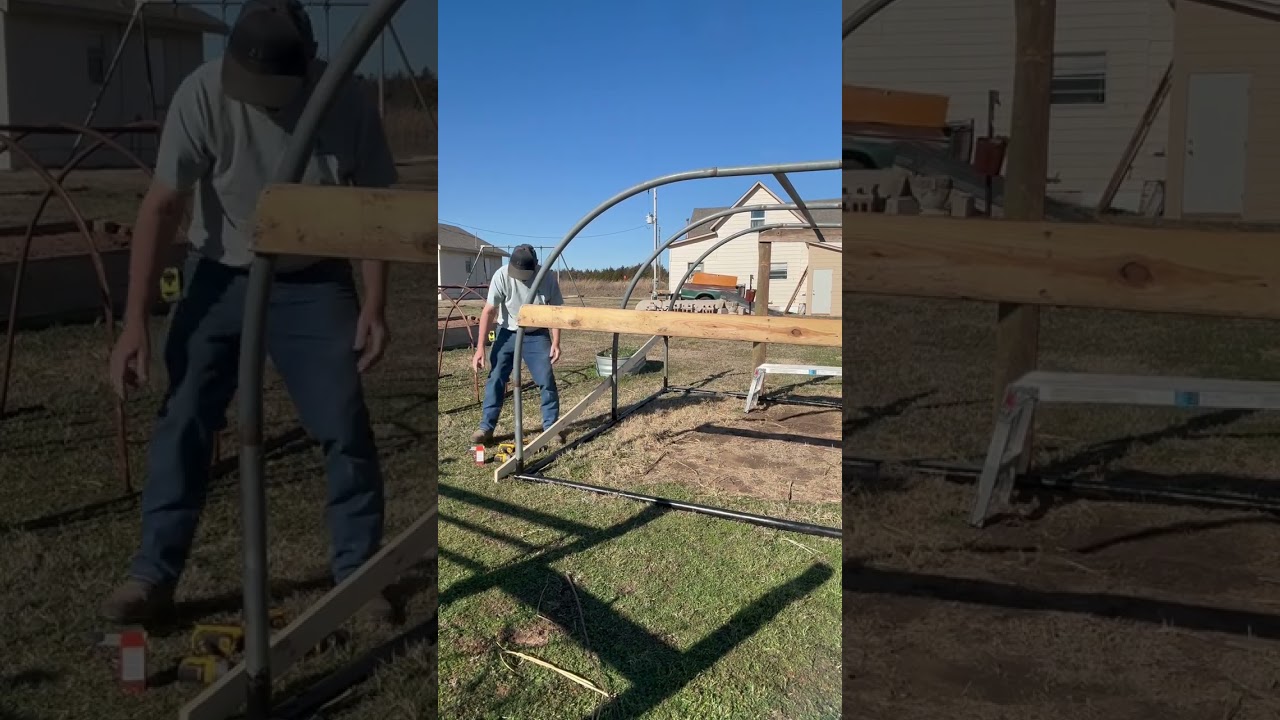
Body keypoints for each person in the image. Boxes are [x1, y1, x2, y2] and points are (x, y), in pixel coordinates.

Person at [101, 0, 399, 625]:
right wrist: (135, 321)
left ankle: (356, 576)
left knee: (343, 422)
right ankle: (153, 575)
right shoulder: (202, 94)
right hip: (221, 274)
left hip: (313, 280)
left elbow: (375, 205)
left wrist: (373, 303)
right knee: (184, 417)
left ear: (305, 66)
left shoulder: (343, 98)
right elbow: (161, 206)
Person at [471, 245, 565, 445]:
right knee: (496, 377)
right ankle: (486, 428)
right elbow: (489, 311)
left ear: (534, 267)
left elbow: (556, 311)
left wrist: (556, 341)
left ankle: (551, 428)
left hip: (536, 334)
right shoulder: (502, 275)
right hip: (507, 333)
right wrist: (480, 347)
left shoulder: (546, 277)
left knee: (546, 378)